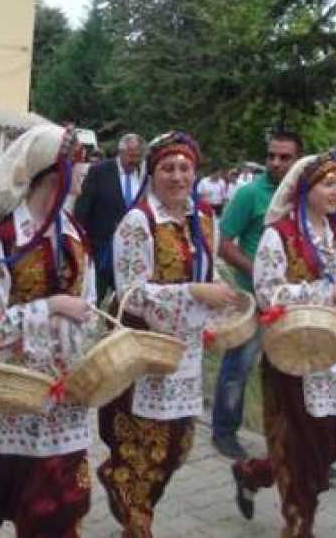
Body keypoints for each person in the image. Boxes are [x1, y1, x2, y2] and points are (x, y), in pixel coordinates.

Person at [97, 131, 238, 537]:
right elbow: (132, 293)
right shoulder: (139, 220)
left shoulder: (204, 217)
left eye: (185, 168)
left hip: (185, 351)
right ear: (152, 174)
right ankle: (137, 521)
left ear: (195, 172)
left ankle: (132, 503)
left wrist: (221, 299)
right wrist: (193, 292)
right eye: (167, 168)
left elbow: (209, 273)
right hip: (143, 348)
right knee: (140, 445)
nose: (177, 176)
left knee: (175, 445)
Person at [0, 124, 98, 537]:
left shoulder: (74, 235)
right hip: (14, 394)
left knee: (61, 502)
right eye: (80, 163)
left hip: (65, 392)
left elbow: (87, 307)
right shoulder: (5, 239)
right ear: (54, 172)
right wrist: (50, 307)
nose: (87, 172)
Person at [231, 151, 336, 538]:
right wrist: (327, 293)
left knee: (326, 446)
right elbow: (268, 292)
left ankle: (252, 472)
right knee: (298, 447)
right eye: (329, 184)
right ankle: (298, 527)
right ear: (306, 189)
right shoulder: (280, 235)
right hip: (291, 355)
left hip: (332, 356)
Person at [210, 129, 302, 460]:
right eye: (271, 156)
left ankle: (290, 442)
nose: (275, 163)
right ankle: (223, 431)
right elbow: (222, 242)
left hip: (292, 303)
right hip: (253, 299)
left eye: (284, 157)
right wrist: (258, 272)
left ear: (297, 161)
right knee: (238, 368)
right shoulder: (250, 194)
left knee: (290, 374)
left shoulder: (303, 196)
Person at [74, 132, 146, 302]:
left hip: (130, 251)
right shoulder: (100, 171)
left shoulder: (143, 177)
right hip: (100, 247)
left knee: (124, 299)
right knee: (95, 297)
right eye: (131, 155)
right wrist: (81, 241)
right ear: (121, 152)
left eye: (138, 157)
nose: (134, 161)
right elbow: (82, 208)